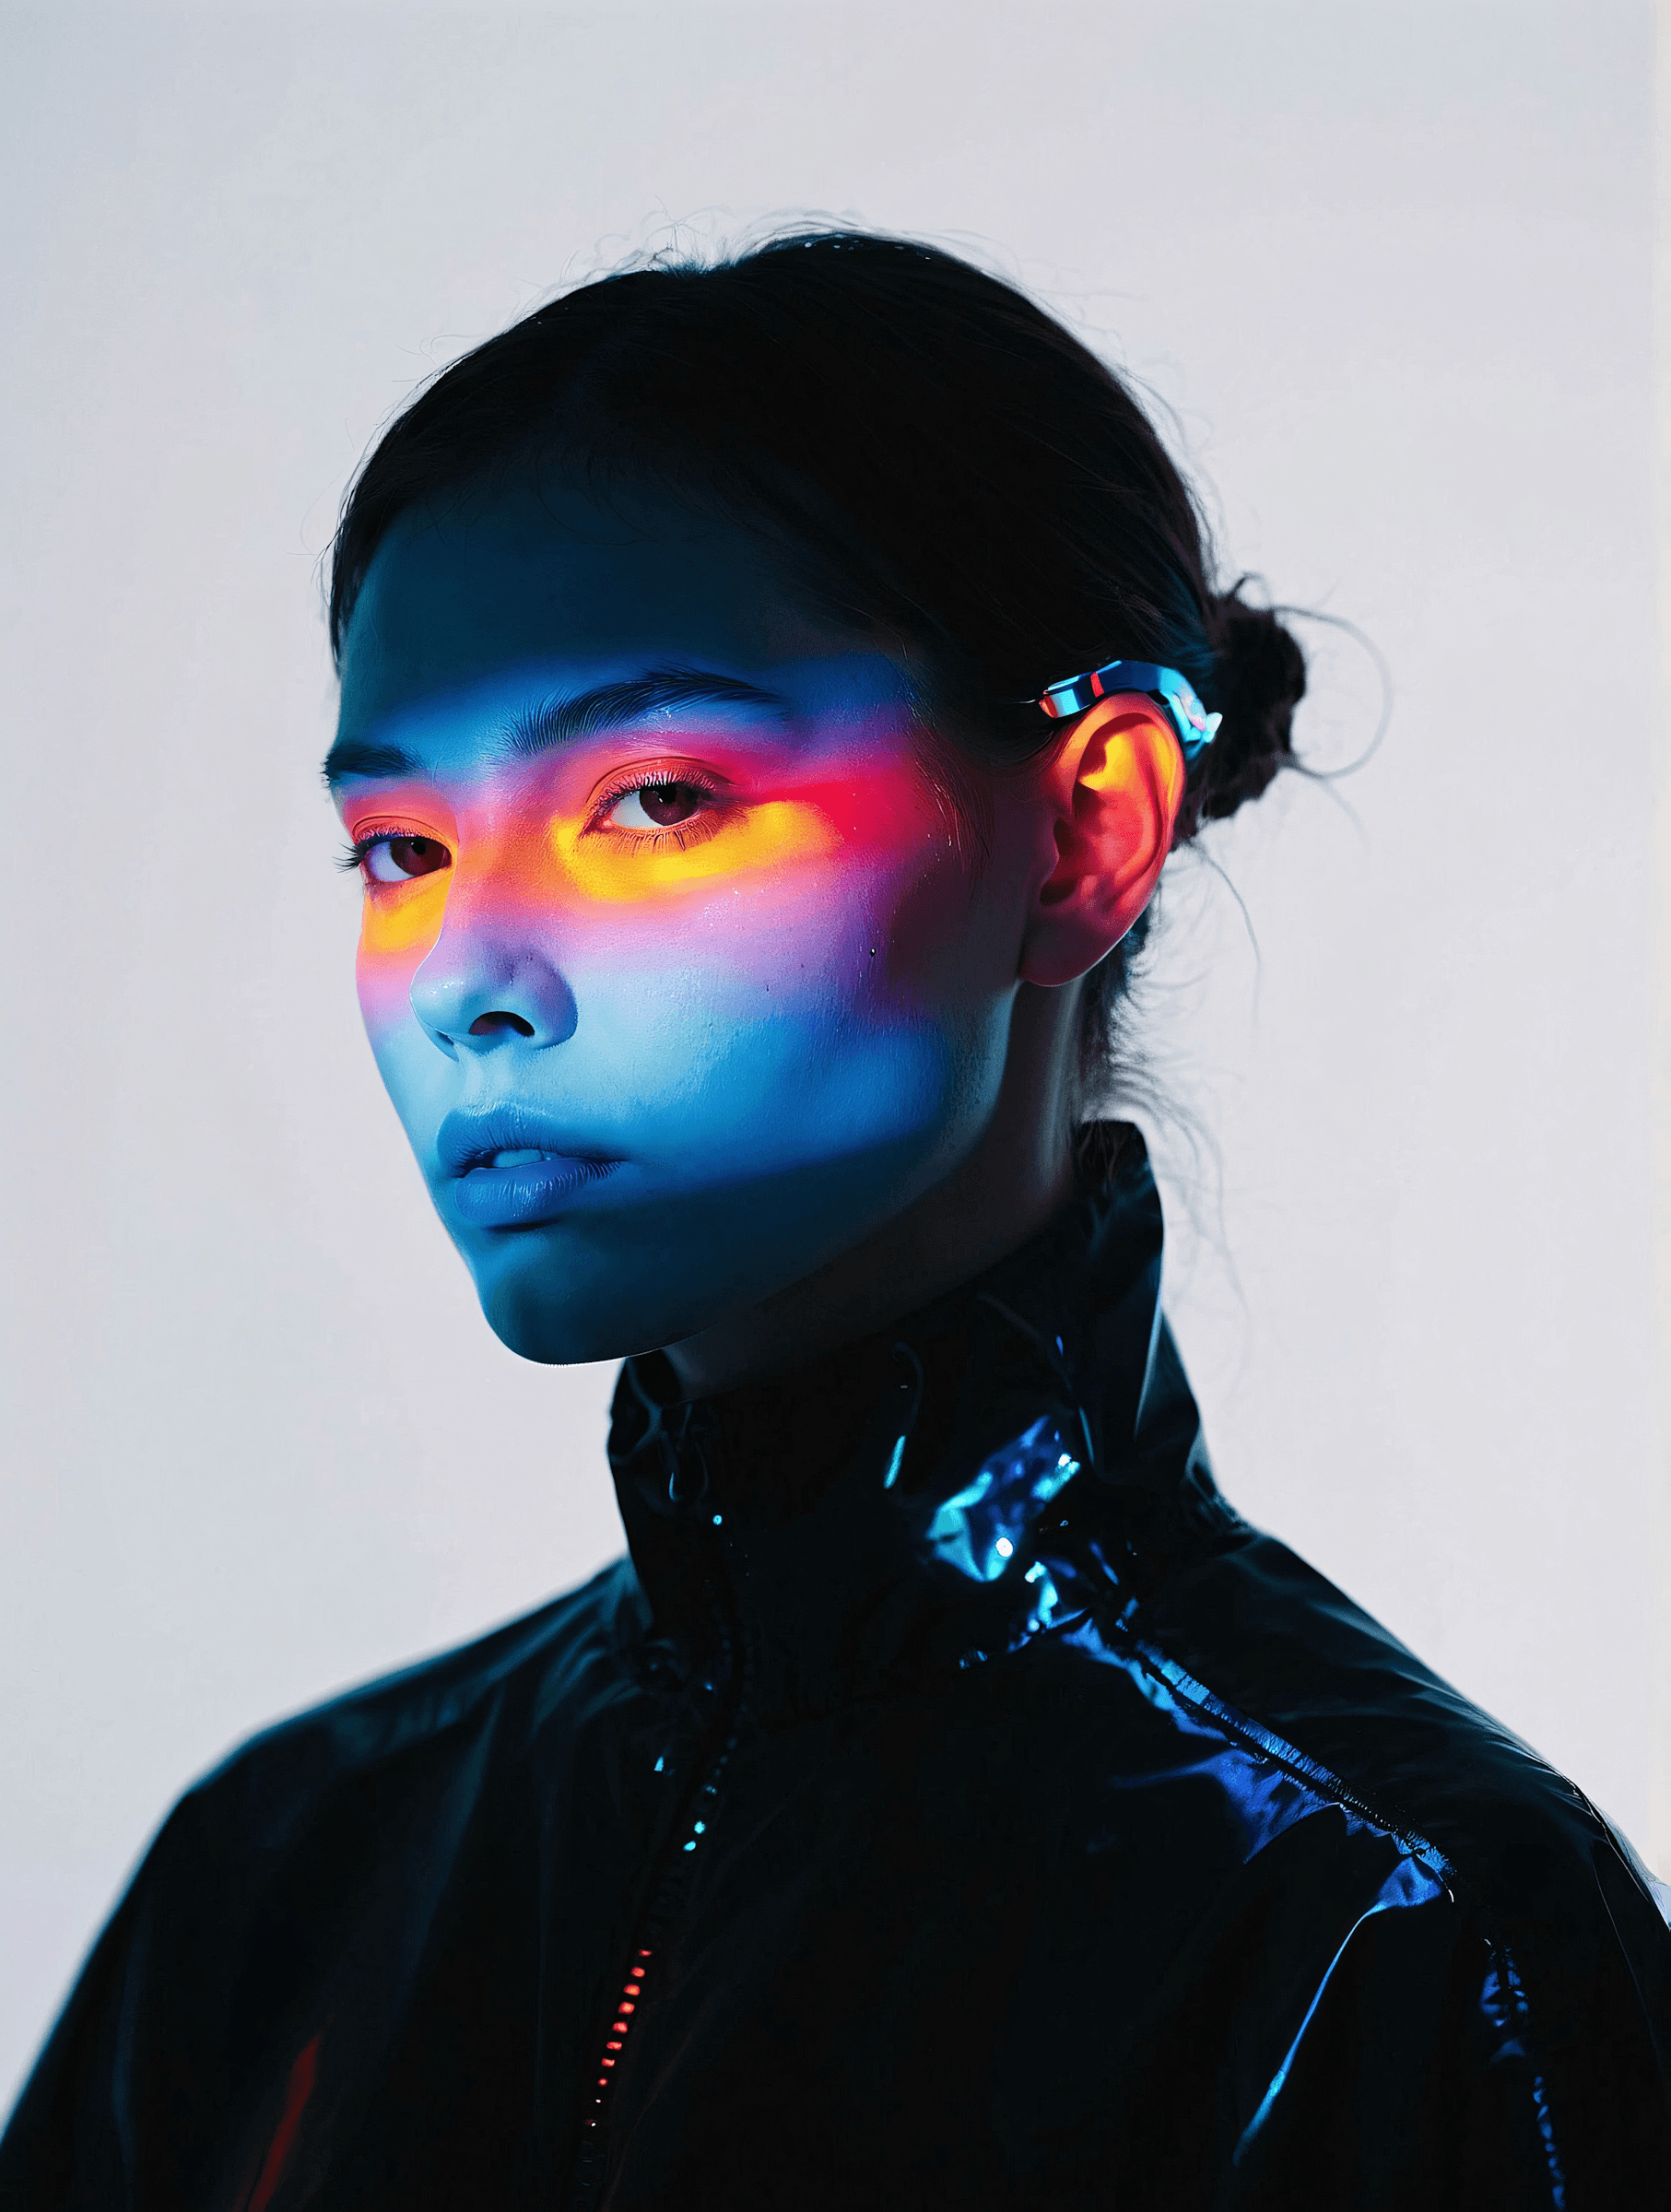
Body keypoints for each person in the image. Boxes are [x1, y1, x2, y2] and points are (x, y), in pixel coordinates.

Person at [3, 229, 1666, 2212]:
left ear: (1086, 827)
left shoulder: (1398, 1939)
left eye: (657, 796)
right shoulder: (277, 1880)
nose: (470, 975)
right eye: (401, 847)